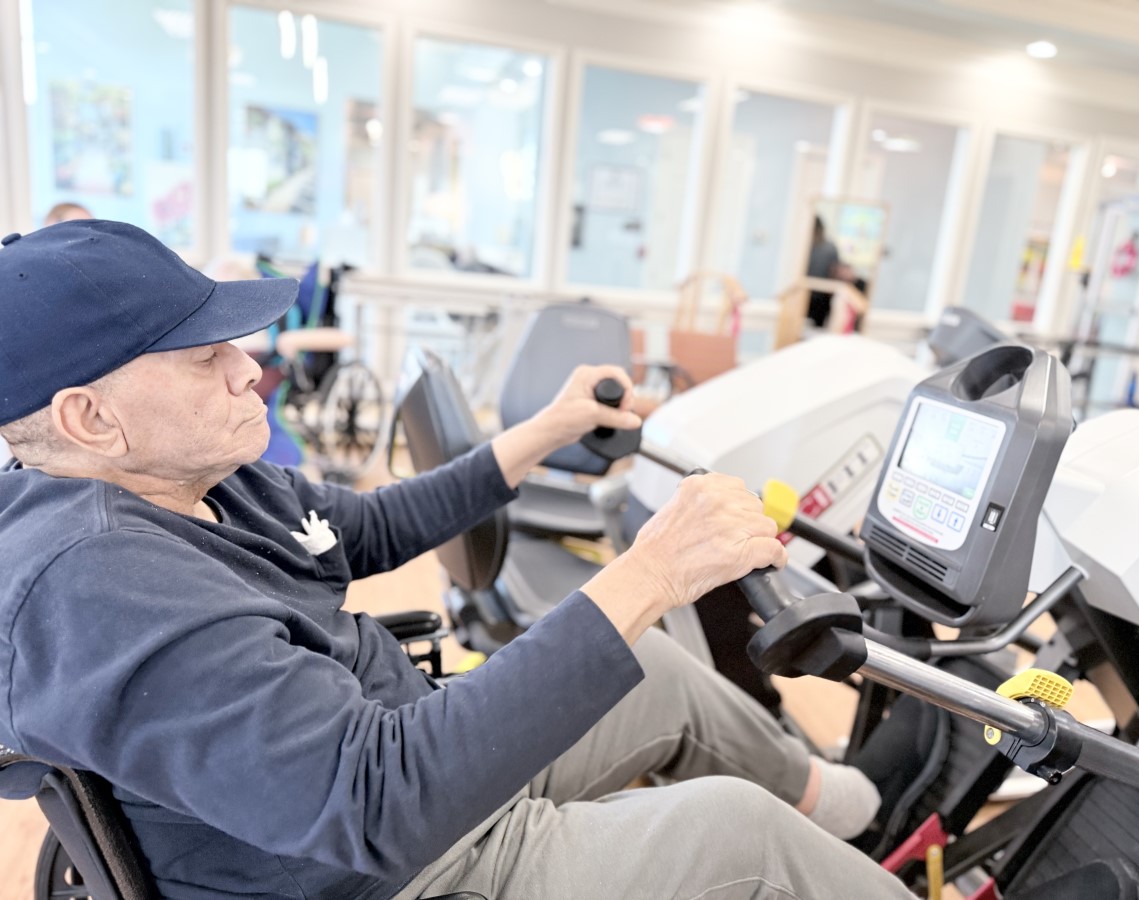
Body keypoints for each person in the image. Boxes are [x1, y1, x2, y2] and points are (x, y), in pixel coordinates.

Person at [0, 220, 903, 900]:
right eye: (204, 358)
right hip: (383, 867)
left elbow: (370, 529)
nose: (250, 369)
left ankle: (865, 815)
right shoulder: (100, 587)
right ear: (89, 417)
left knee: (655, 672)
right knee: (735, 836)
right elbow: (376, 806)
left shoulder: (198, 477)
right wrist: (652, 572)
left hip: (407, 756)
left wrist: (547, 431)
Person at [806, 216, 840, 328]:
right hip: (805, 294)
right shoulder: (806, 246)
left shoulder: (829, 248)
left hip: (822, 296)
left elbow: (835, 271)